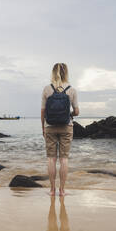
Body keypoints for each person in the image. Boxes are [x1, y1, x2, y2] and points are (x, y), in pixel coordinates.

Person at [41, 63, 79, 196]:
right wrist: (69, 115)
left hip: (50, 126)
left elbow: (43, 111)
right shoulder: (71, 89)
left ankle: (52, 190)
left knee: (51, 159)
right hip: (66, 126)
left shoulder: (47, 89)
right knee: (64, 159)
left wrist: (43, 128)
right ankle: (62, 191)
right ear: (66, 73)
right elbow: (77, 111)